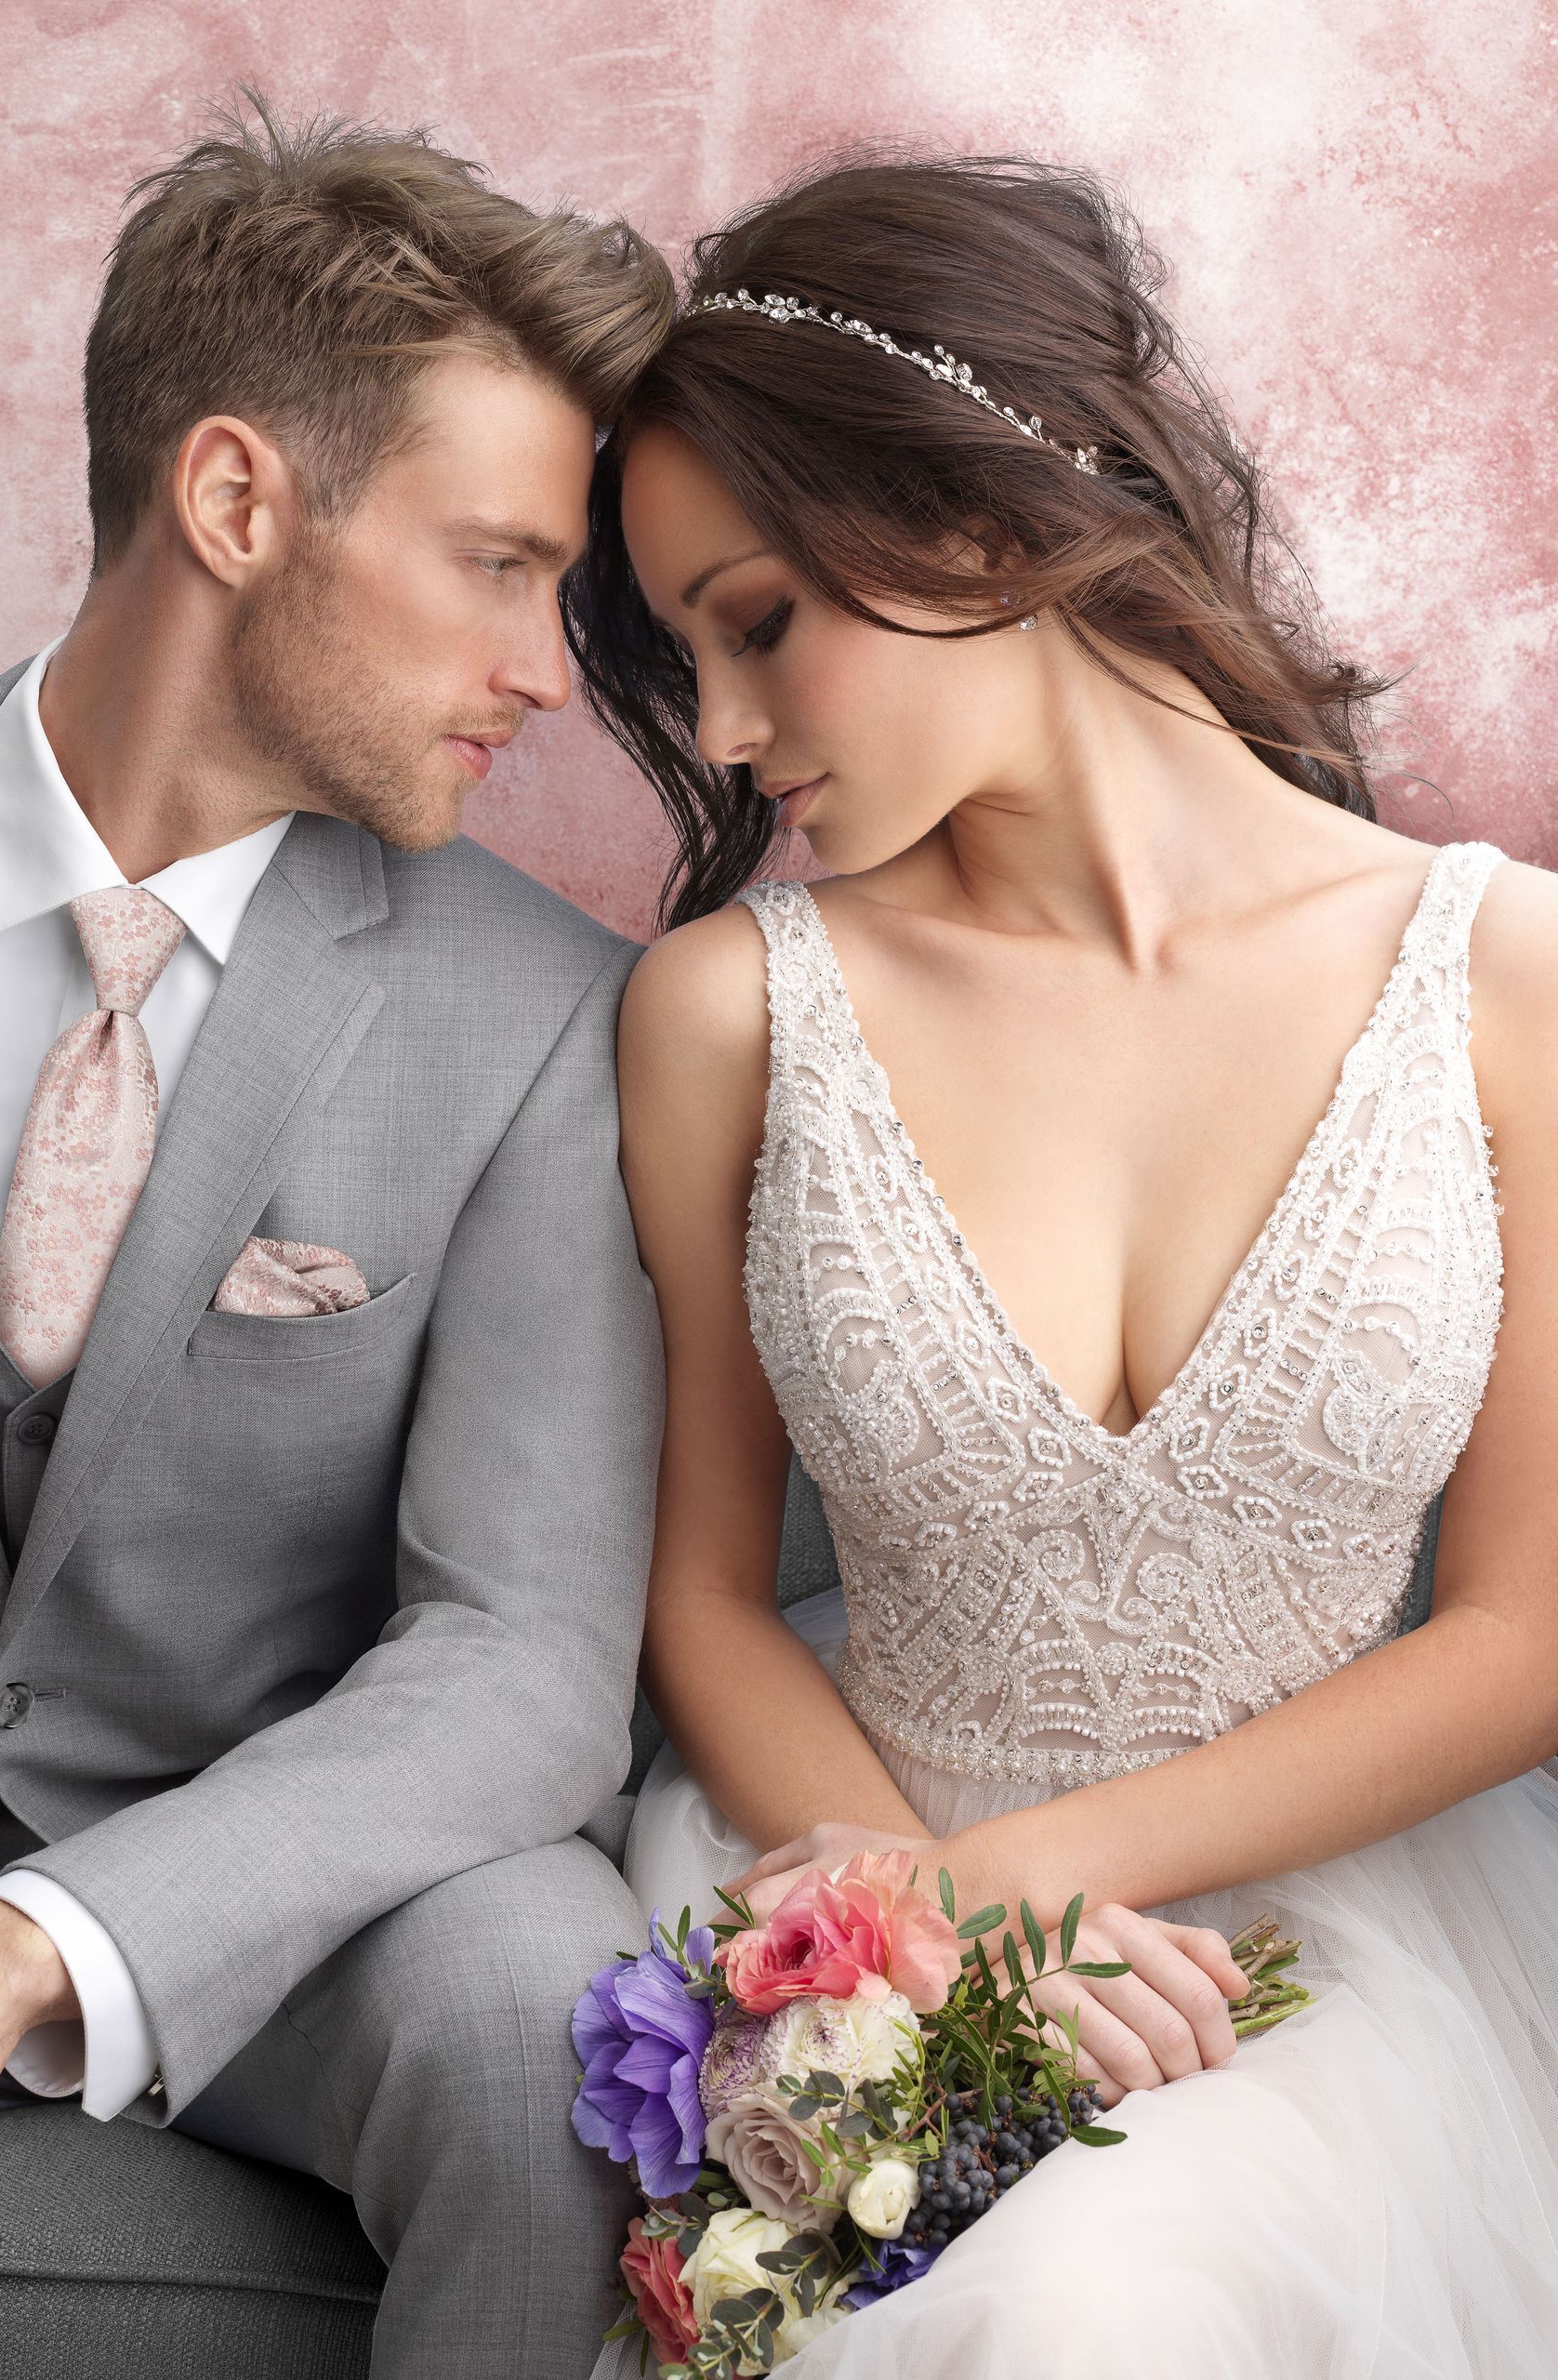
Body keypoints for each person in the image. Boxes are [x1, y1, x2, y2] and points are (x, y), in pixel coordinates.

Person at [566, 155, 1558, 2373]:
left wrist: (1052, 1886)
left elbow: (1532, 1627)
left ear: (980, 521)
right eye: (687, 656)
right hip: (863, 1885)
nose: (720, 735)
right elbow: (705, 1590)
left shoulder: (1503, 977)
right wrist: (934, 1913)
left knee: (1106, 2304)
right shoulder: (730, 1014)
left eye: (754, 620)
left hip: (1344, 1945)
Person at [0, 102, 674, 2380]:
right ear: (237, 498)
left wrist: (23, 1944)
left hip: (252, 1902)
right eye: (495, 567)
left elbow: (528, 1657)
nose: (546, 670)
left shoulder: (546, 1014)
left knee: (529, 1997)